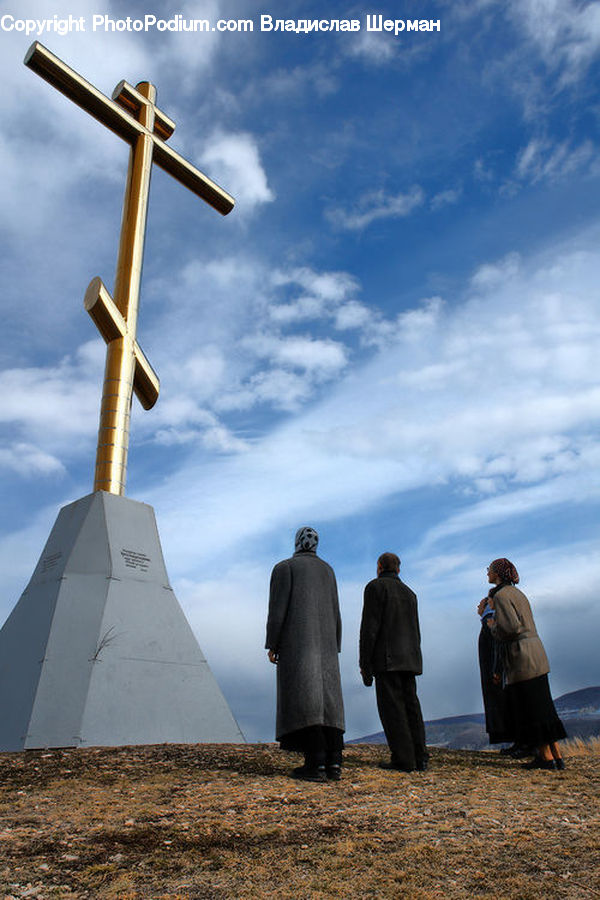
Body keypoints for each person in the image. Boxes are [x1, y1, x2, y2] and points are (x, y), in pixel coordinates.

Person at [266, 526, 345, 782]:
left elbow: (277, 611)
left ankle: (315, 764)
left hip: (298, 645)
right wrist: (335, 644)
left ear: (297, 542)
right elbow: (336, 610)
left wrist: (273, 643)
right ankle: (334, 763)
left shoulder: (284, 568)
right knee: (329, 704)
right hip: (327, 647)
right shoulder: (328, 571)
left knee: (306, 702)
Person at [485, 557, 566, 771]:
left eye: (489, 570)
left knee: (531, 706)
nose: (487, 574)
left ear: (498, 574)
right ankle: (557, 755)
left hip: (521, 657)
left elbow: (510, 627)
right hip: (536, 652)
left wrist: (492, 626)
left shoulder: (501, 596)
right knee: (544, 704)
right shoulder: (518, 593)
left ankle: (546, 758)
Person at [359, 552, 428, 773]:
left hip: (386, 659)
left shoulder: (375, 588)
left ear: (379, 566)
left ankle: (403, 758)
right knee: (411, 707)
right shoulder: (410, 594)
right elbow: (416, 630)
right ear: (398, 569)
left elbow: (369, 628)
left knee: (392, 711)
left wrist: (365, 663)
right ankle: (420, 757)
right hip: (409, 658)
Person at [477, 593, 515, 748]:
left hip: (494, 672)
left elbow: (495, 647)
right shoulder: (489, 620)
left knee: (502, 704)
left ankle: (519, 741)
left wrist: (496, 670)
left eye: (480, 604)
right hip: (496, 670)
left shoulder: (489, 621)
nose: (478, 607)